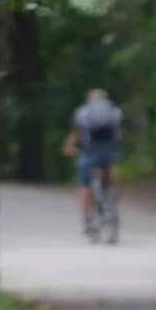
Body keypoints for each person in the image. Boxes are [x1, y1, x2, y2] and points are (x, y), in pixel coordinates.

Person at [62, 89, 123, 235]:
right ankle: (114, 195)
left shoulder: (83, 112)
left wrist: (69, 147)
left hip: (89, 152)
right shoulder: (114, 112)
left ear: (89, 100)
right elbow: (119, 133)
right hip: (109, 152)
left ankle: (88, 219)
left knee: (83, 185)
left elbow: (76, 133)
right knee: (109, 170)